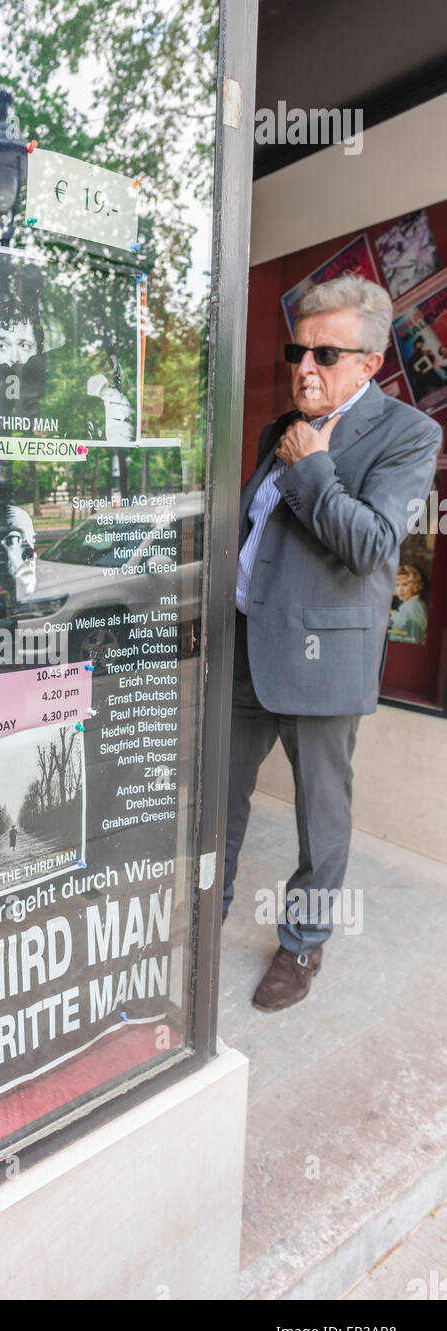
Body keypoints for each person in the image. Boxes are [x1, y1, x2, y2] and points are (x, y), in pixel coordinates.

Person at [224, 274, 442, 1011]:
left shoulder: (410, 433)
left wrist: (308, 465)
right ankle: (203, 916)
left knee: (321, 816)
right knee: (219, 801)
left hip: (323, 657)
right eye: (297, 349)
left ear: (368, 362)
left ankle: (300, 947)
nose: (304, 367)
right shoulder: (273, 428)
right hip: (245, 642)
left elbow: (372, 544)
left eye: (324, 353)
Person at [388, 564, 427, 644]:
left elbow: (412, 639)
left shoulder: (414, 606)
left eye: (405, 584)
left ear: (414, 585)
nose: (400, 589)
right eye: (397, 585)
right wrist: (392, 612)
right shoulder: (409, 605)